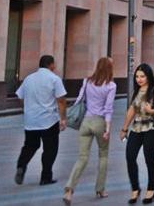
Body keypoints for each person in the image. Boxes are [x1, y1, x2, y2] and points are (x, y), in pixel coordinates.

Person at [64, 56, 117, 203]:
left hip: (86, 122)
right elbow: (108, 108)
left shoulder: (87, 81)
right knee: (103, 156)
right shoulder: (111, 86)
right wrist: (107, 128)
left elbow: (79, 99)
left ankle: (69, 189)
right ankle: (100, 189)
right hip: (100, 122)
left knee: (82, 158)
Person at [15, 55, 67, 187]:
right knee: (50, 148)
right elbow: (61, 100)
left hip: (31, 121)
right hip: (48, 120)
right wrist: (63, 118)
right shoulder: (54, 79)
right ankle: (45, 176)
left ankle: (21, 165)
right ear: (51, 65)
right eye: (54, 64)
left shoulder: (29, 79)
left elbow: (20, 96)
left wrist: (28, 108)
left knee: (30, 146)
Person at [120, 63, 154, 205]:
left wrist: (151, 111)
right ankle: (135, 189)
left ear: (148, 76)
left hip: (151, 128)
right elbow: (131, 110)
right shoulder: (136, 91)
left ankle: (151, 189)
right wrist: (124, 129)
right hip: (136, 128)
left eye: (142, 76)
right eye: (137, 76)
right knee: (130, 157)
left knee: (149, 158)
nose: (139, 79)